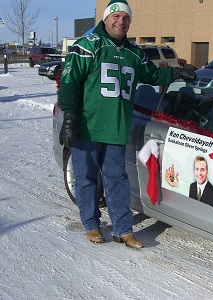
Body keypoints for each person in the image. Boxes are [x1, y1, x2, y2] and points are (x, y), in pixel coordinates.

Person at [58, 0, 196, 248]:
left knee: (117, 178)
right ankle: (91, 224)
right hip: (88, 126)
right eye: (116, 16)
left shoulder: (135, 53)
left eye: (126, 18)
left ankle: (122, 228)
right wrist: (69, 117)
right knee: (86, 177)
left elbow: (152, 75)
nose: (121, 21)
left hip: (117, 126)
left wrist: (175, 74)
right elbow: (70, 82)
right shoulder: (87, 46)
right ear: (106, 18)